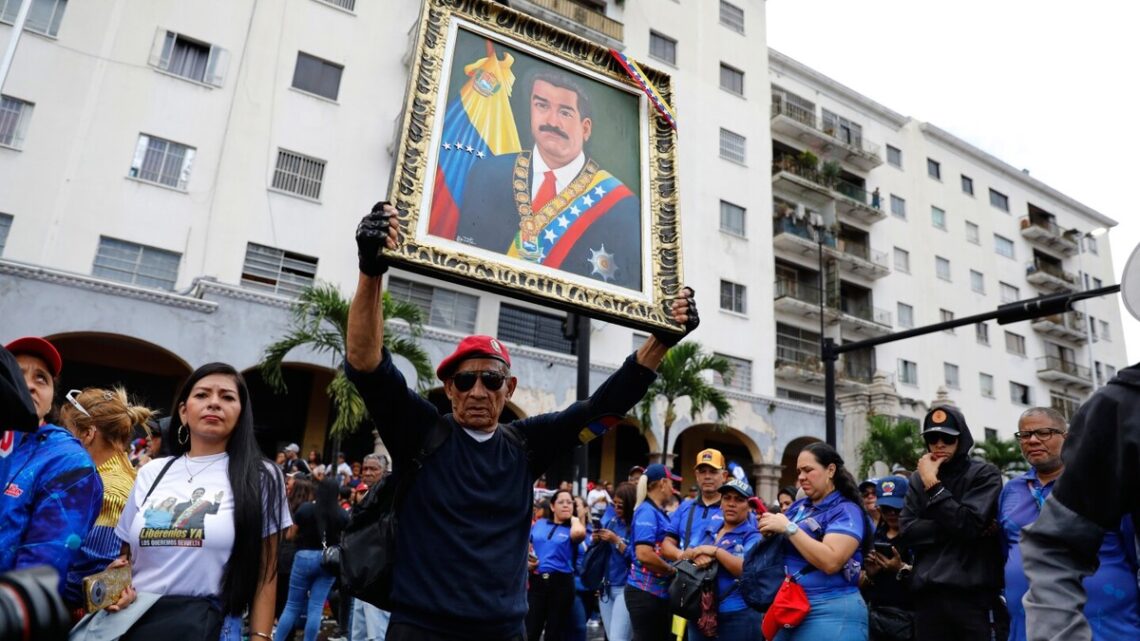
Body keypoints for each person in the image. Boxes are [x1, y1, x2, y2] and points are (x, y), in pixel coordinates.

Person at [346, 203, 699, 640]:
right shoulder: (421, 433)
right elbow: (366, 363)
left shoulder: (525, 444)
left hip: (504, 629)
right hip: (421, 627)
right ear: (450, 388)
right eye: (465, 380)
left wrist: (661, 341)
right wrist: (370, 269)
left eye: (491, 379)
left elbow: (603, 409)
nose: (478, 391)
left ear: (508, 388)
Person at [108, 363, 291, 641]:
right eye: (203, 395)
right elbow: (125, 557)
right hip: (137, 624)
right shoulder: (151, 473)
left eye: (227, 397)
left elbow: (267, 574)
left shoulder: (262, 476)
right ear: (183, 411)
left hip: (211, 628)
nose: (214, 403)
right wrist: (117, 587)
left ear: (241, 413)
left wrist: (261, 637)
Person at [453, 70, 642, 290]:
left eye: (565, 112)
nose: (552, 121)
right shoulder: (487, 173)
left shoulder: (623, 206)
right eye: (542, 106)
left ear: (585, 128)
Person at [1001, 408, 1139, 641]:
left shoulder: (1105, 485)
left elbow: (1133, 550)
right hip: (1028, 628)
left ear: (1067, 437)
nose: (1033, 440)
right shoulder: (1011, 490)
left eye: (1044, 433)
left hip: (1107, 626)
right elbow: (1006, 548)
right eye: (1025, 435)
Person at [0, 337, 103, 597]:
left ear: (51, 397)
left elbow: (41, 571)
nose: (30, 386)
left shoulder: (68, 463)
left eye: (41, 379)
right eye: (18, 373)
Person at [899, 406, 1006, 641]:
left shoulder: (984, 473)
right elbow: (907, 531)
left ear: (961, 439)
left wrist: (932, 484)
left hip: (973, 598)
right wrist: (960, 525)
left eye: (947, 438)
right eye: (932, 438)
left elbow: (967, 525)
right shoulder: (918, 479)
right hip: (928, 599)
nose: (939, 444)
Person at [757, 442, 870, 641]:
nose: (801, 477)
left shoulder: (846, 510)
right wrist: (770, 529)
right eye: (799, 471)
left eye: (808, 470)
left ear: (830, 470)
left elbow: (831, 561)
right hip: (790, 604)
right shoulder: (801, 506)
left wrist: (788, 528)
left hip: (831, 609)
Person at [57, 386, 156, 611]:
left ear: (88, 434)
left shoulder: (107, 490)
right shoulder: (126, 474)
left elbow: (90, 573)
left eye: (68, 432)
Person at [683, 478, 762, 641]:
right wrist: (697, 554)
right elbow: (686, 554)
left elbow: (745, 569)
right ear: (721, 503)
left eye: (739, 500)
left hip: (738, 616)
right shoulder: (708, 529)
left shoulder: (753, 536)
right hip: (699, 613)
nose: (731, 503)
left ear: (749, 507)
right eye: (727, 498)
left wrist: (715, 552)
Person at [275, 477, 350, 641]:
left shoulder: (306, 509)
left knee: (292, 606)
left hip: (304, 556)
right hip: (328, 562)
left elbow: (290, 535)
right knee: (316, 607)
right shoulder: (342, 514)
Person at [625, 463, 682, 641]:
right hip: (645, 592)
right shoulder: (647, 512)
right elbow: (643, 554)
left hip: (657, 594)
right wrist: (672, 570)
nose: (673, 488)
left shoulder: (655, 511)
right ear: (662, 483)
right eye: (672, 483)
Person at [526, 488, 587, 641]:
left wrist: (574, 519)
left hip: (561, 583)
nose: (566, 505)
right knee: (531, 630)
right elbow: (525, 545)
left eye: (569, 503)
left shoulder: (573, 528)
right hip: (537, 582)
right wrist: (527, 562)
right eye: (561, 502)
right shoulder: (540, 524)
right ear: (552, 507)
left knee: (554, 634)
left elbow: (579, 534)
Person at [860, 476, 915, 641]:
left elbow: (929, 578)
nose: (892, 514)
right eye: (886, 509)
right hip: (876, 618)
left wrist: (901, 568)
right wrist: (870, 574)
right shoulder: (874, 537)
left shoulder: (918, 535)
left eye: (897, 509)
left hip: (910, 618)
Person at [663, 448, 729, 563]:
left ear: (724, 476)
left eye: (713, 471)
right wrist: (682, 555)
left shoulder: (732, 508)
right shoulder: (685, 507)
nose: (707, 476)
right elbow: (667, 544)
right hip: (687, 577)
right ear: (697, 475)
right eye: (702, 471)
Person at [593, 481, 637, 641]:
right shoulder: (611, 522)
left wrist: (617, 541)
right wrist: (596, 540)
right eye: (614, 505)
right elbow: (602, 555)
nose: (616, 509)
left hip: (625, 588)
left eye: (621, 506)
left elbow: (638, 558)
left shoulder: (636, 525)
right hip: (606, 587)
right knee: (612, 637)